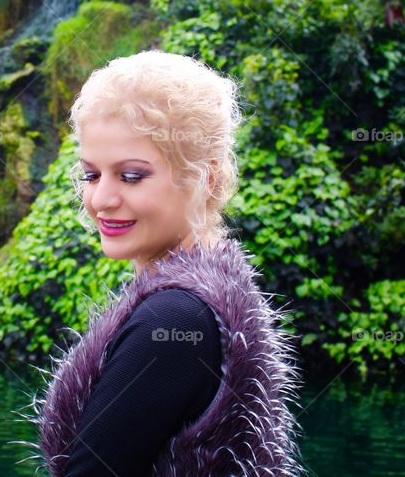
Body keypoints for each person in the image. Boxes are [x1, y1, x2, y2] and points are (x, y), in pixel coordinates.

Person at [31, 50, 304, 476]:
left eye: (132, 176)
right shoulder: (213, 299)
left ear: (206, 178)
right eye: (91, 174)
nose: (101, 199)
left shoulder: (176, 321)